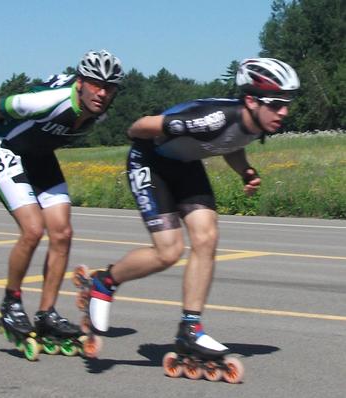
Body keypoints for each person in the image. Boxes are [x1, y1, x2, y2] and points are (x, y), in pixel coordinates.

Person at [79, 58, 299, 378]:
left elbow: (231, 143)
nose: (284, 112)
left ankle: (190, 329)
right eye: (278, 104)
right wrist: (145, 130)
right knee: (168, 252)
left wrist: (245, 171)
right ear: (251, 100)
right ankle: (104, 282)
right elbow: (143, 125)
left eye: (287, 104)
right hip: (150, 162)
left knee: (207, 237)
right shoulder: (209, 119)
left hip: (186, 166)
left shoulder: (257, 122)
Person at [0, 50, 123, 357]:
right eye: (95, 84)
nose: (102, 93)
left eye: (109, 87)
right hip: (7, 150)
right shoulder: (47, 101)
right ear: (80, 83)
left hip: (40, 157)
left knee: (62, 233)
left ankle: (46, 314)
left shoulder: (100, 112)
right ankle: (11, 302)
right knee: (33, 230)